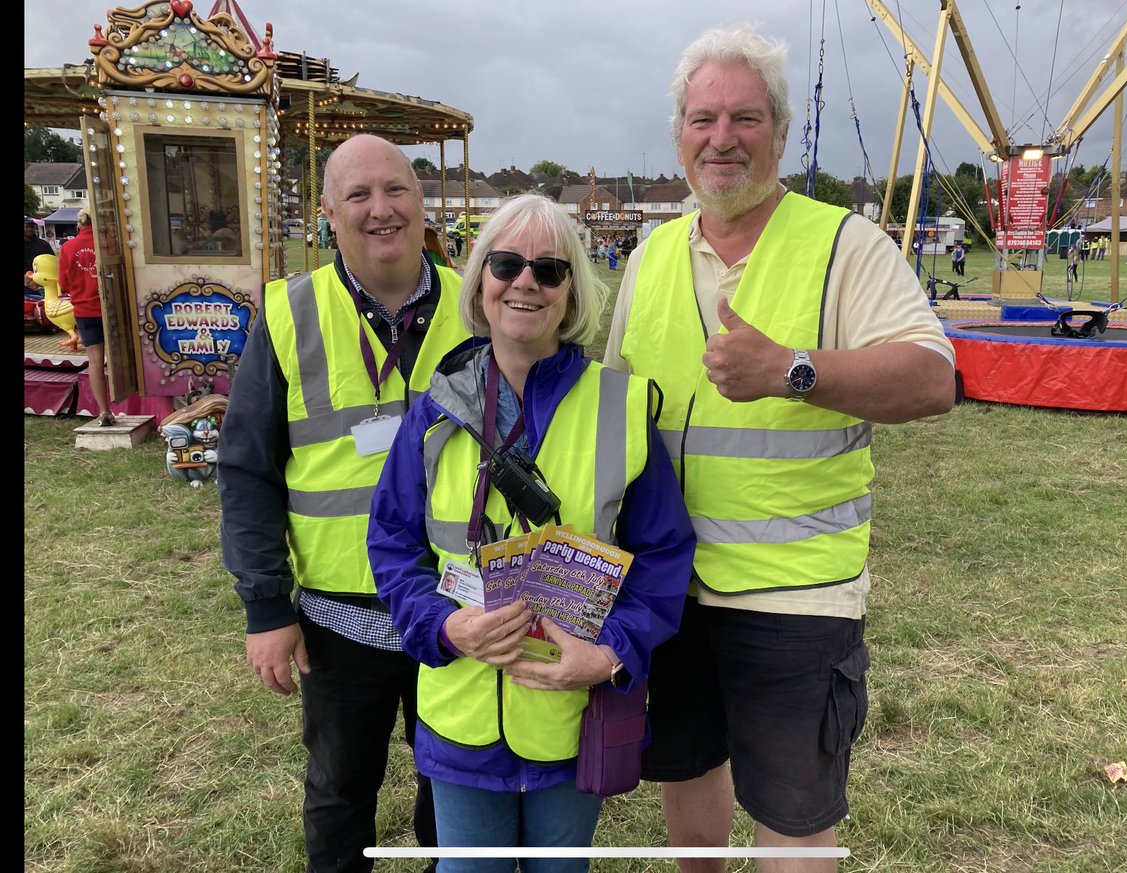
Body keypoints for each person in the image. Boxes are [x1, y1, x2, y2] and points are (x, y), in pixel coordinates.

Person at [604, 24, 957, 871]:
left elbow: (933, 379)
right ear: (680, 135)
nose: (721, 138)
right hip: (667, 588)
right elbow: (611, 404)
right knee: (687, 778)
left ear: (782, 131)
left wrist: (791, 370)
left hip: (796, 599)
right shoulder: (652, 254)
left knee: (794, 825)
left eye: (745, 118)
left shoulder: (844, 244)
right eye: (702, 119)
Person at [366, 193, 695, 871]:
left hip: (573, 714)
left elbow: (663, 557)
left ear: (572, 291)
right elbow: (395, 545)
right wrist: (443, 627)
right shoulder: (432, 413)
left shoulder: (623, 405)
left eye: (548, 270)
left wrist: (608, 656)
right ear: (480, 280)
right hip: (462, 710)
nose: (525, 282)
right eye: (507, 263)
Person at [218, 133, 473, 873]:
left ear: (421, 200)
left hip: (455, 605)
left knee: (452, 786)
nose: (380, 209)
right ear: (329, 213)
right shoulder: (288, 315)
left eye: (394, 189)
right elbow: (246, 468)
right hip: (339, 615)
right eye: (357, 196)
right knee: (339, 790)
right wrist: (266, 606)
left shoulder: (480, 304)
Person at [58, 211, 115, 426]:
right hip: (111, 307)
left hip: (85, 310)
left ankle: (104, 411)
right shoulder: (107, 245)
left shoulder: (68, 247)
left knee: (95, 361)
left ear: (79, 224)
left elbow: (63, 284)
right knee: (121, 358)